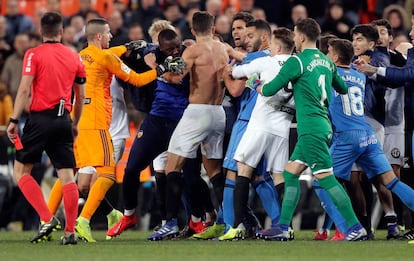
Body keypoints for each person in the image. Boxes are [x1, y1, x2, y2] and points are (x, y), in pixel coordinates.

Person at [254, 18, 366, 241]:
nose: (295, 39)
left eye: (295, 35)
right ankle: (283, 227)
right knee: (290, 172)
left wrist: (255, 84)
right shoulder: (327, 62)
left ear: (302, 37)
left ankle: (355, 228)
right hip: (322, 125)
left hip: (311, 128)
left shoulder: (297, 62)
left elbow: (269, 90)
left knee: (326, 178)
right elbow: (342, 88)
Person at [146, 11, 228, 241]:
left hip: (198, 113)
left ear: (193, 31)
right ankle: (230, 222)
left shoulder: (192, 51)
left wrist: (157, 68)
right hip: (218, 113)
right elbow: (240, 60)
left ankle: (170, 223)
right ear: (213, 29)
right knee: (214, 172)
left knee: (172, 166)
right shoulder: (223, 48)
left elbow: (176, 76)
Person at [6, 12, 86, 245]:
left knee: (20, 172)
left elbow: (23, 90)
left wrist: (13, 120)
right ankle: (70, 232)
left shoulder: (33, 54)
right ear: (61, 31)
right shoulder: (74, 57)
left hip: (39, 120)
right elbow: (81, 97)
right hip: (64, 120)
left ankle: (47, 218)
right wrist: (75, 124)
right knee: (67, 177)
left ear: (42, 32)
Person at [326, 37, 414, 241]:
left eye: (329, 53)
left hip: (347, 136)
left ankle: (351, 228)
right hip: (368, 134)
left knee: (325, 182)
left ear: (336, 57)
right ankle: (363, 227)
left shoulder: (330, 74)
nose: (326, 56)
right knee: (391, 181)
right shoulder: (360, 75)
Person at [106, 28, 189, 240]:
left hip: (182, 122)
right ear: (159, 46)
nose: (174, 52)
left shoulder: (186, 54)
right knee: (132, 168)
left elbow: (176, 78)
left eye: (176, 47)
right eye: (169, 49)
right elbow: (110, 57)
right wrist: (127, 48)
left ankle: (183, 221)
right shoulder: (149, 51)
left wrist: (154, 65)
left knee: (182, 175)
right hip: (156, 120)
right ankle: (129, 215)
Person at [219, 27, 295, 240]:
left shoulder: (266, 62)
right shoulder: (298, 65)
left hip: (260, 125)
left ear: (278, 46)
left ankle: (235, 228)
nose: (268, 48)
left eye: (271, 45)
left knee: (242, 170)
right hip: (283, 128)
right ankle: (284, 226)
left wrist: (229, 70)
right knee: (278, 176)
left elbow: (235, 73)